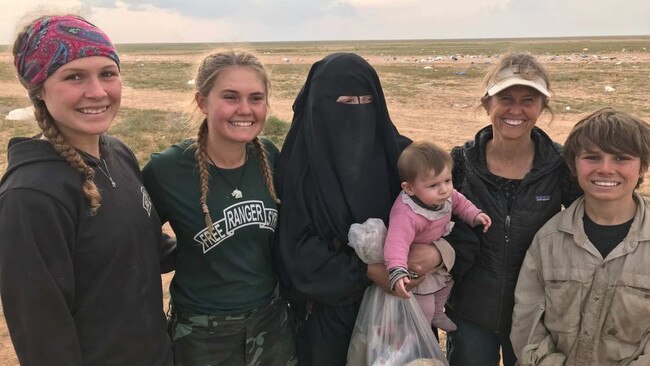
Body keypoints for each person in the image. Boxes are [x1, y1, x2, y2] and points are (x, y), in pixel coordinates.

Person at [0, 14, 172, 365]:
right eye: (74, 76)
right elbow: (42, 337)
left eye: (107, 73)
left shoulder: (117, 153)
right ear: (39, 89)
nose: (97, 91)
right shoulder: (31, 196)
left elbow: (144, 249)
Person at [274, 52, 439, 366]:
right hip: (327, 316)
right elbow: (295, 251)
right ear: (319, 107)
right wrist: (365, 271)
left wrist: (437, 252)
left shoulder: (404, 158)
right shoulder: (299, 170)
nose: (358, 112)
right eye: (346, 103)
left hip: (399, 313)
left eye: (367, 101)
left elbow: (445, 214)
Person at [141, 51, 296, 365]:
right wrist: (176, 253)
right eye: (230, 97)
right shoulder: (168, 169)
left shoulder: (269, 155)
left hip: (271, 322)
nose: (245, 109)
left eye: (256, 98)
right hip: (202, 334)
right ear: (202, 102)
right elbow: (136, 241)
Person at [444, 53, 582, 366]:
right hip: (469, 313)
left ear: (542, 106)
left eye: (528, 99)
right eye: (505, 98)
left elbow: (588, 227)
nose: (515, 110)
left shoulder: (559, 166)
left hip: (536, 316)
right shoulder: (461, 163)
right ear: (486, 103)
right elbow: (428, 220)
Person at [511, 108, 650, 365]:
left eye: (621, 158)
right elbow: (527, 323)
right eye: (592, 157)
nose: (606, 169)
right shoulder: (548, 241)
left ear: (642, 166)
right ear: (574, 165)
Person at [385, 141, 492, 332]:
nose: (444, 189)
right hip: (419, 267)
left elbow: (461, 203)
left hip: (438, 258)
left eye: (447, 181)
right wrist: (397, 270)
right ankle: (421, 332)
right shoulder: (407, 213)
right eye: (434, 185)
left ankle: (437, 314)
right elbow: (396, 243)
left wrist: (475, 215)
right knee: (424, 303)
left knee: (447, 283)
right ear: (409, 188)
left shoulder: (445, 195)